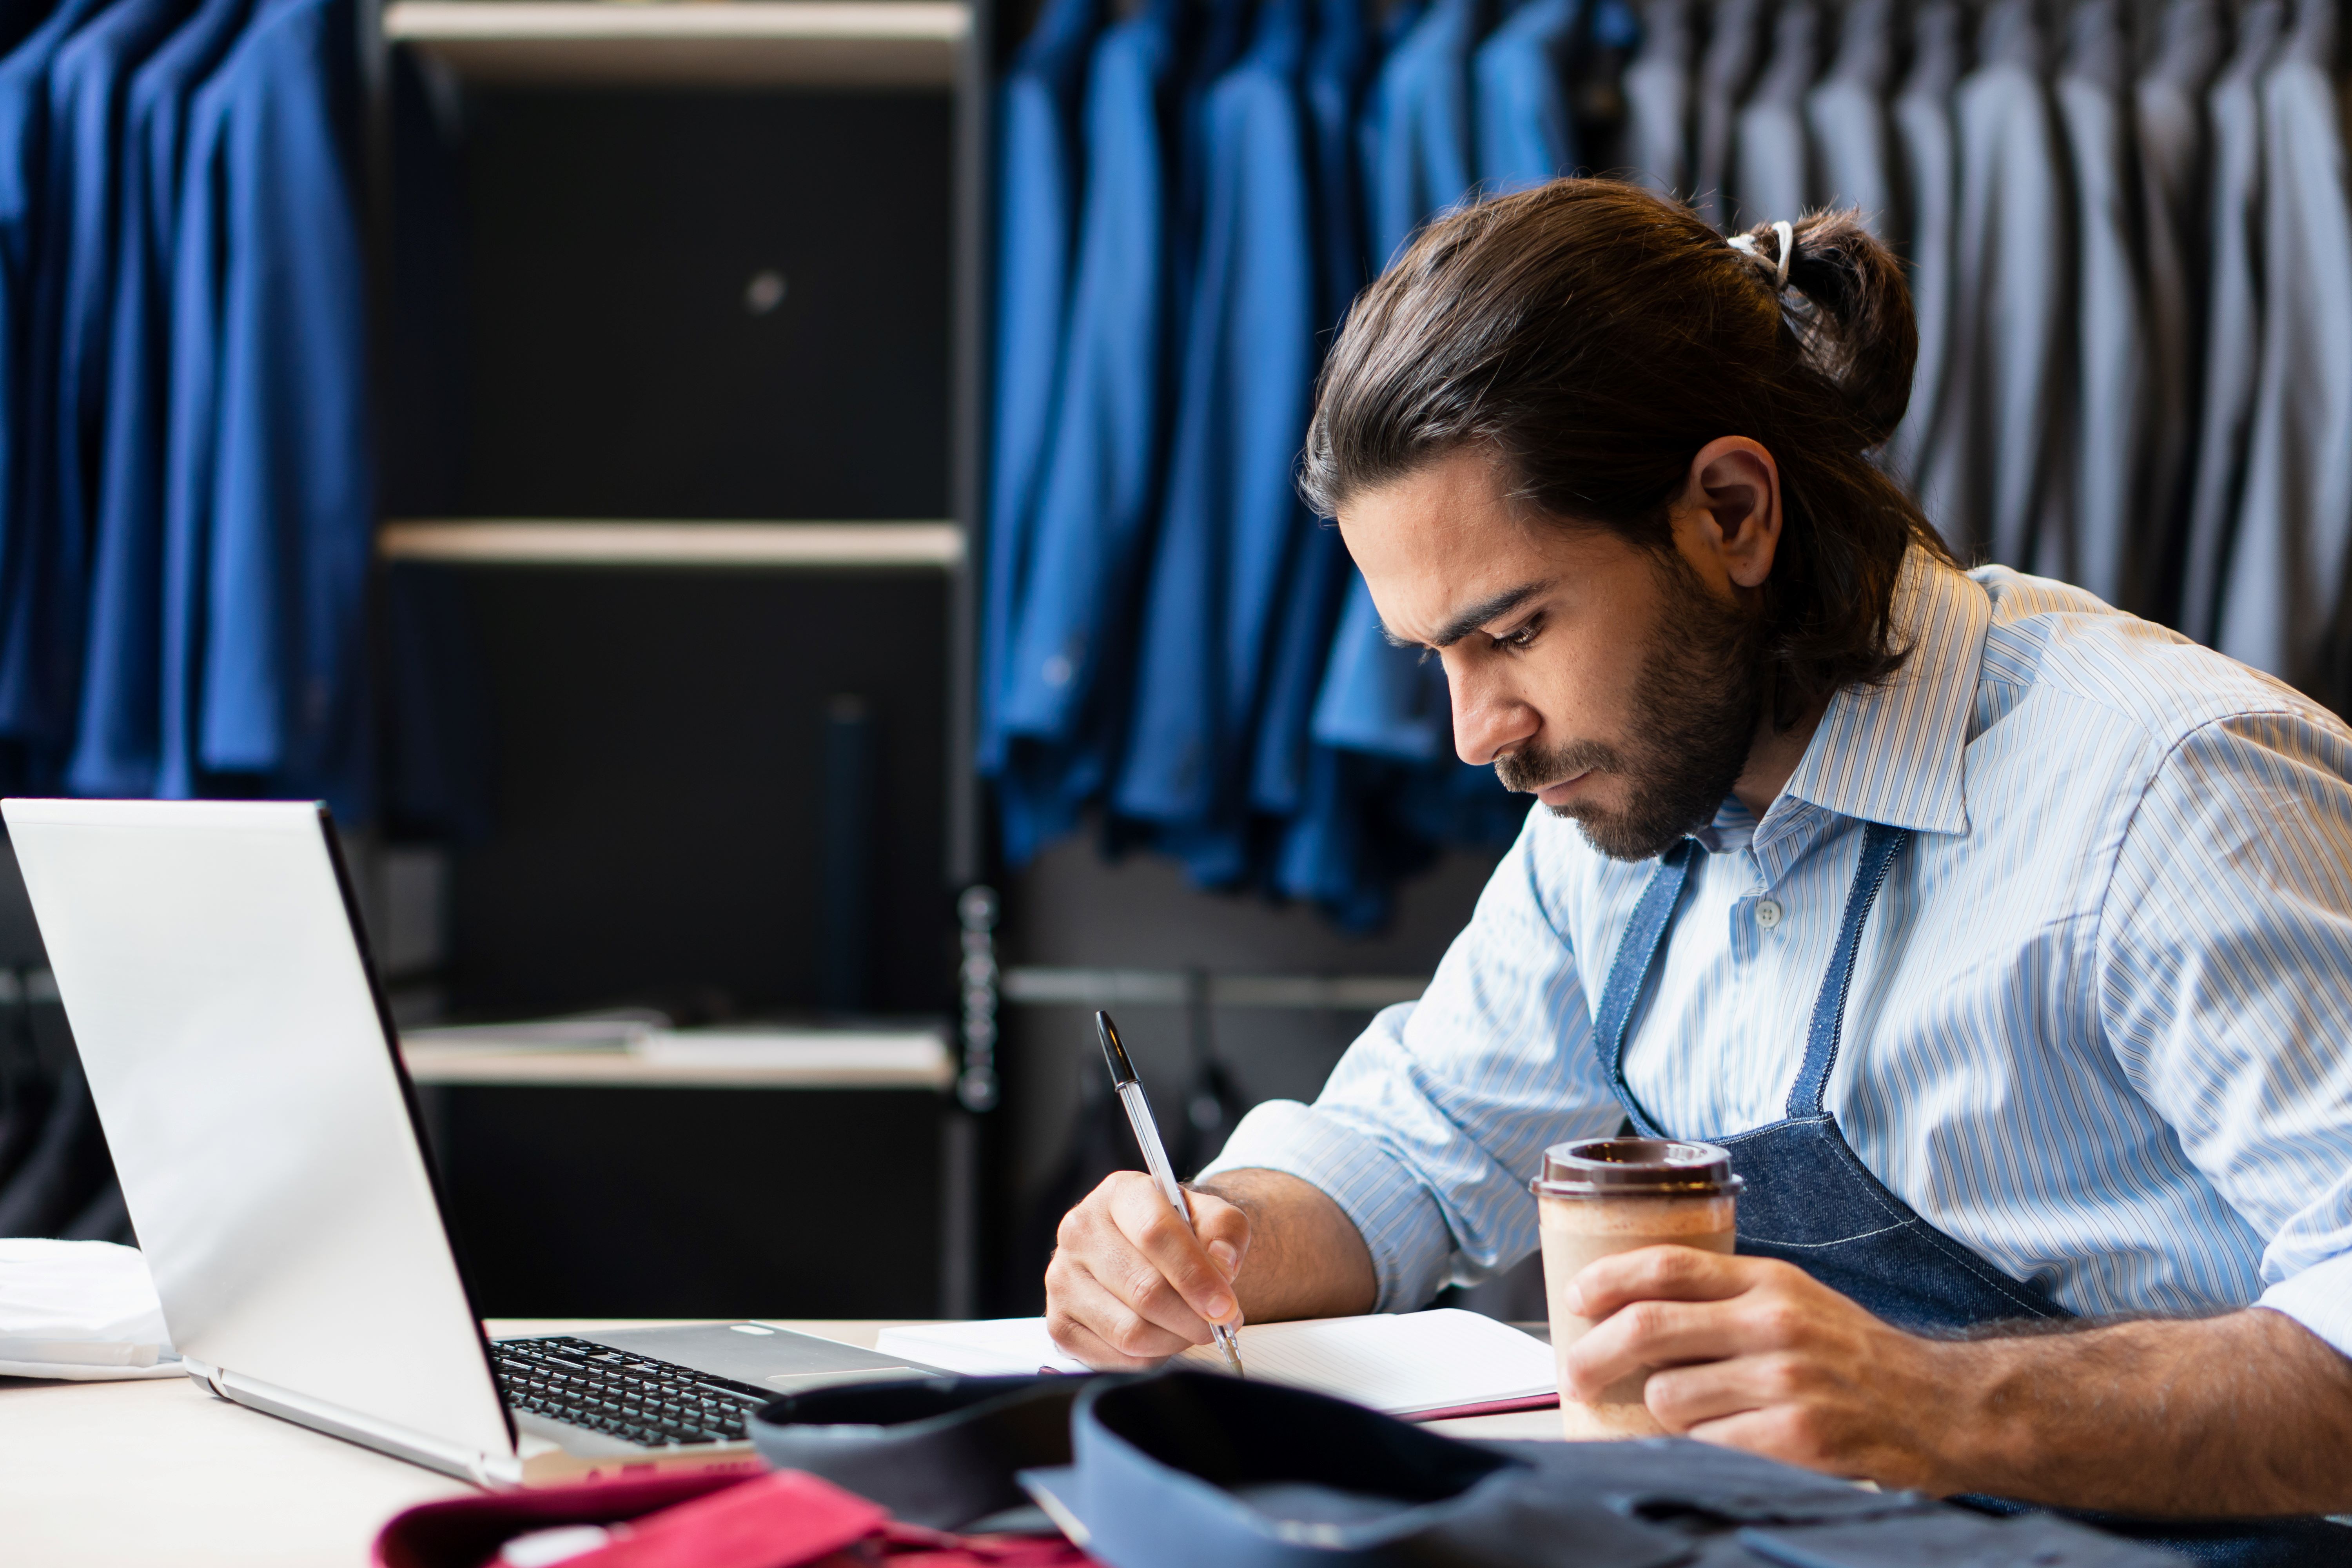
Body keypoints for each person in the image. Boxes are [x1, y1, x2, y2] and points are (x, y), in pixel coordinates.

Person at [1041, 182, 2352, 1543]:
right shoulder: (1618, 816)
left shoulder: (2176, 789)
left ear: (1730, 512)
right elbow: (1415, 1154)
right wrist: (1200, 1241)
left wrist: (1942, 1406)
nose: (1475, 732)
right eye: (1436, 659)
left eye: (1517, 630)